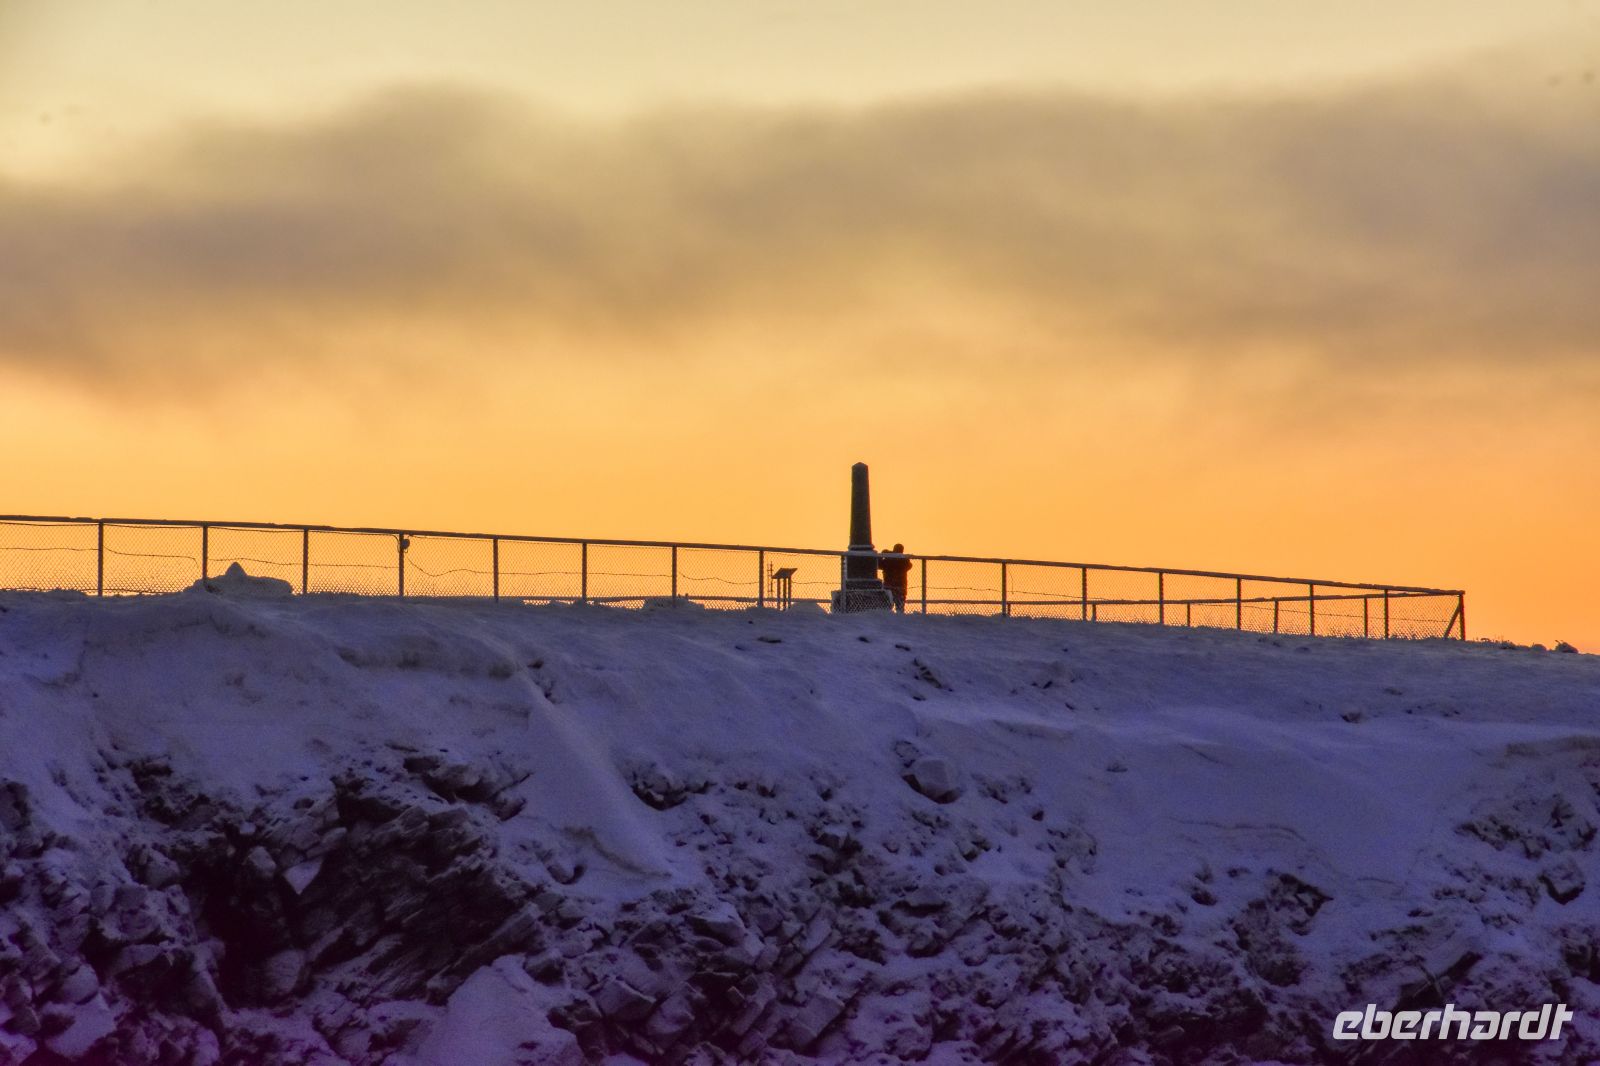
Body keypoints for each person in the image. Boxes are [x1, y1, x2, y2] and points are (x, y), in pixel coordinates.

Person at [878, 543, 912, 613]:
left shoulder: (888, 560)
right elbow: (909, 565)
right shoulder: (904, 561)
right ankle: (900, 618)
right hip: (901, 586)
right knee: (900, 607)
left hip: (889, 585)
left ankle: (888, 618)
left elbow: (878, 564)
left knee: (887, 607)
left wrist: (883, 555)